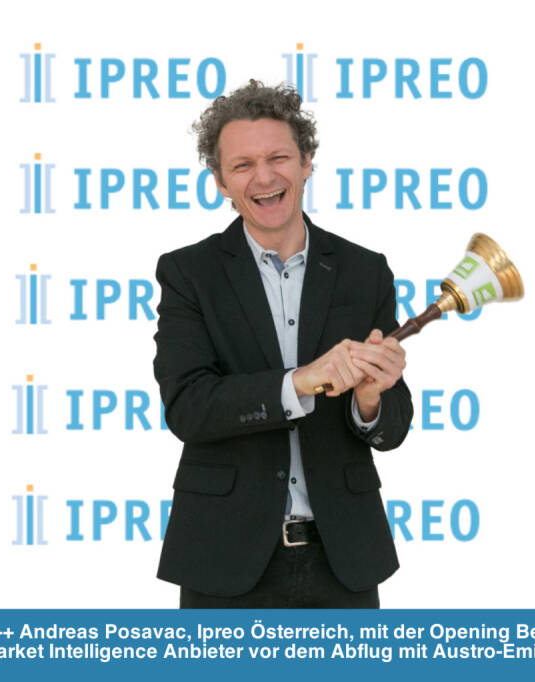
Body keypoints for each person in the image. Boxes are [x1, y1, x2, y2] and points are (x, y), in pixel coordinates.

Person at [154, 80, 413, 608]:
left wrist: (370, 399)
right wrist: (300, 382)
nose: (265, 177)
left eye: (278, 158)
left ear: (307, 162)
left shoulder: (365, 271)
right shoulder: (188, 273)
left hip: (344, 559)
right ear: (220, 181)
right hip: (222, 557)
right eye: (242, 165)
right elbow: (188, 408)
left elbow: (393, 426)